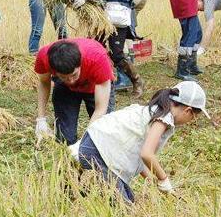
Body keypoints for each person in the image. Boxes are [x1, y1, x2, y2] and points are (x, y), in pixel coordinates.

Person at [76, 81, 209, 204]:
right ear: (188, 111)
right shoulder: (163, 118)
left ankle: (77, 185)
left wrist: (152, 181)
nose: (190, 122)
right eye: (193, 118)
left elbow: (140, 157)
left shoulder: (159, 111)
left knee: (130, 200)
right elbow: (147, 154)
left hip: (100, 147)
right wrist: (163, 179)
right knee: (123, 209)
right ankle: (74, 187)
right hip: (98, 150)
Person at [73, 0, 144, 98]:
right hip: (100, 9)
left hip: (117, 9)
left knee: (116, 52)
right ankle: (92, 81)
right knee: (93, 46)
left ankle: (137, 80)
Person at [34, 39, 115, 145]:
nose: (71, 81)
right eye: (64, 77)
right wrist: (41, 119)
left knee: (103, 134)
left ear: (80, 64)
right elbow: (44, 83)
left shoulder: (97, 59)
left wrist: (83, 143)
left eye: (74, 75)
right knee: (65, 140)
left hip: (95, 85)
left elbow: (100, 109)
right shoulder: (44, 57)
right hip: (65, 89)